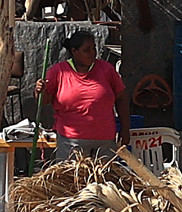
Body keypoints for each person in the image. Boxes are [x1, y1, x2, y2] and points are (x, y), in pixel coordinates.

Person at [38, 29, 128, 159]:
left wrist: (125, 129)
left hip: (104, 142)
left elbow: (122, 98)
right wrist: (40, 91)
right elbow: (44, 100)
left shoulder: (107, 69)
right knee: (71, 179)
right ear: (74, 51)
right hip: (71, 142)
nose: (92, 53)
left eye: (94, 49)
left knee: (105, 178)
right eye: (87, 50)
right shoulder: (58, 72)